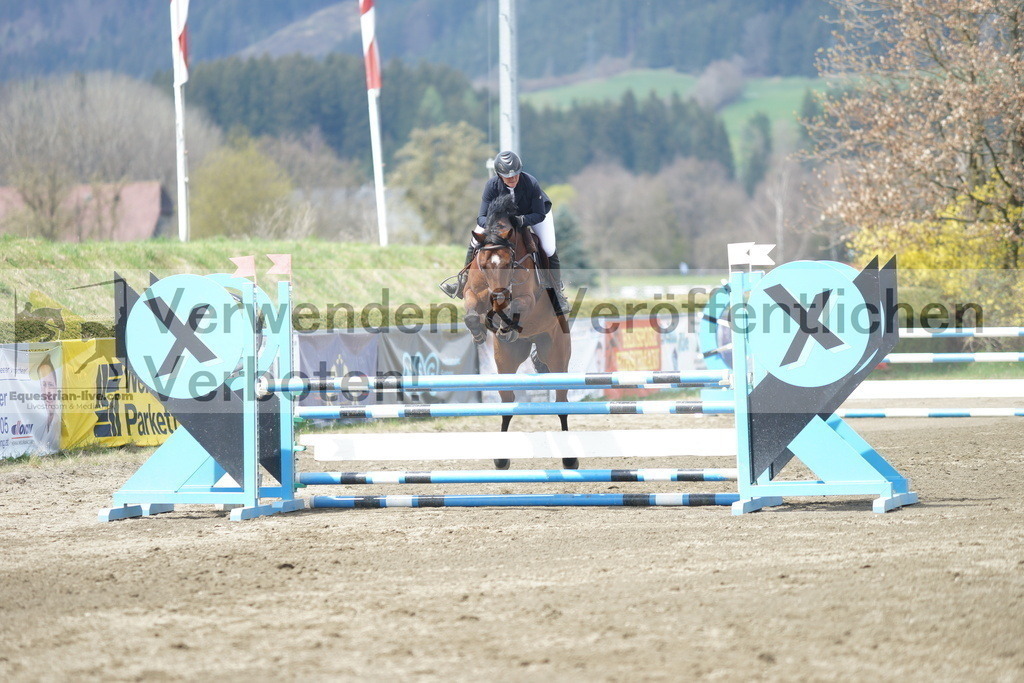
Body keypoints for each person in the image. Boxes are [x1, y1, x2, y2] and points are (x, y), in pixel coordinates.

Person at [442, 150, 568, 313]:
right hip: (500, 222)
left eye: (516, 174)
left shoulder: (530, 183)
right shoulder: (492, 186)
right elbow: (481, 217)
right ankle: (462, 281)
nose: (513, 179)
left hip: (533, 215)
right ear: (499, 175)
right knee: (475, 240)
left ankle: (557, 294)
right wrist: (494, 225)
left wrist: (522, 221)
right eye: (508, 176)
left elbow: (539, 214)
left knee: (549, 248)